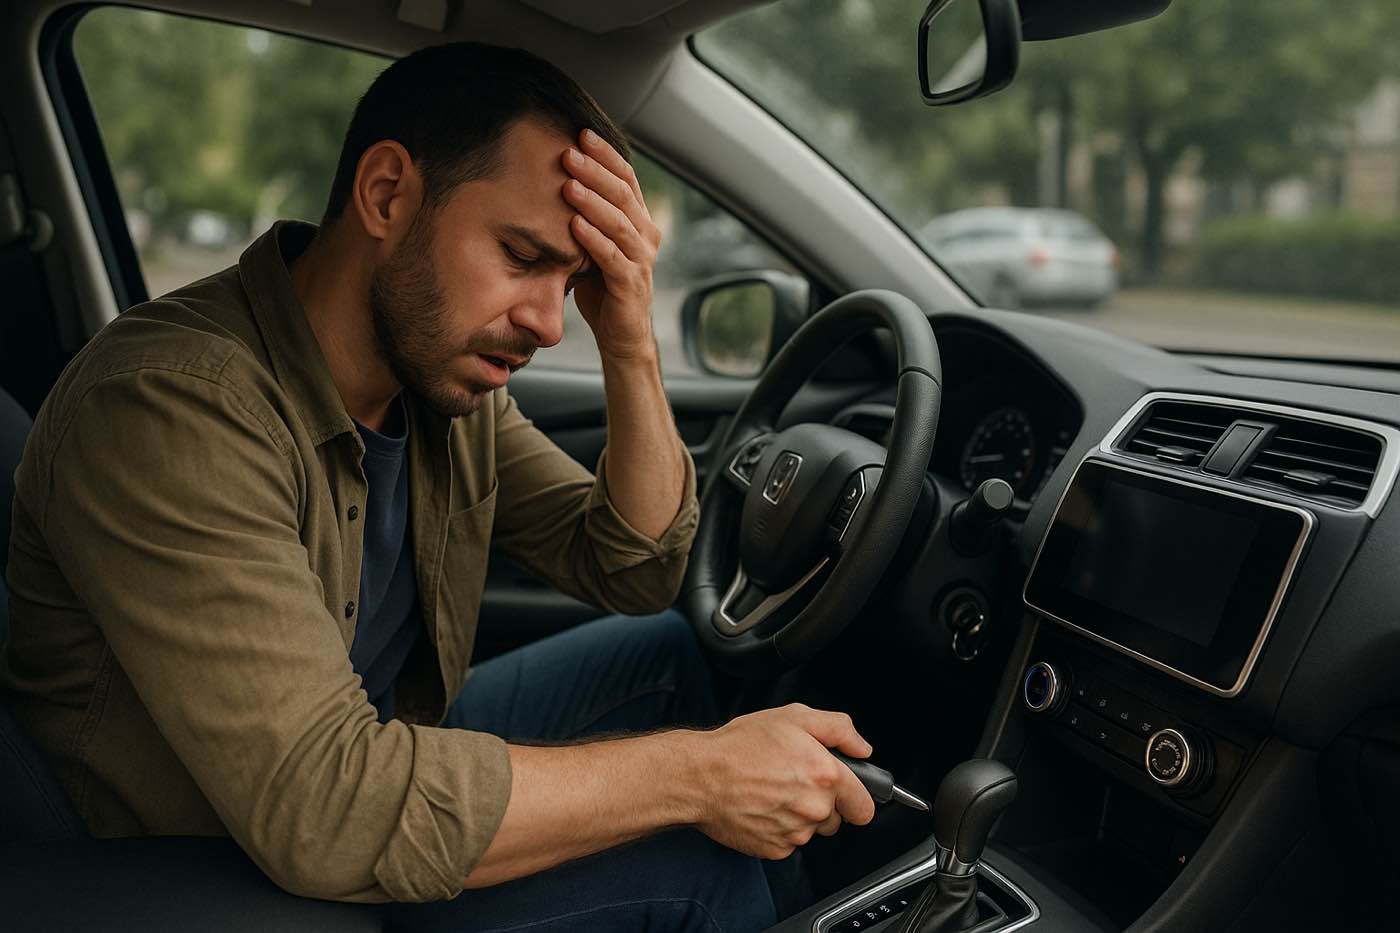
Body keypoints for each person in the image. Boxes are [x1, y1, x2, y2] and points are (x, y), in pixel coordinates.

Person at [0, 41, 875, 930]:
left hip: (374, 744)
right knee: (704, 865)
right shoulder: (171, 406)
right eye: (522, 255)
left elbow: (634, 566)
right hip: (214, 867)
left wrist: (628, 340)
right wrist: (702, 776)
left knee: (663, 656)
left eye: (573, 281)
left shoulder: (436, 385)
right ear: (387, 194)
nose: (548, 323)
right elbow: (326, 805)